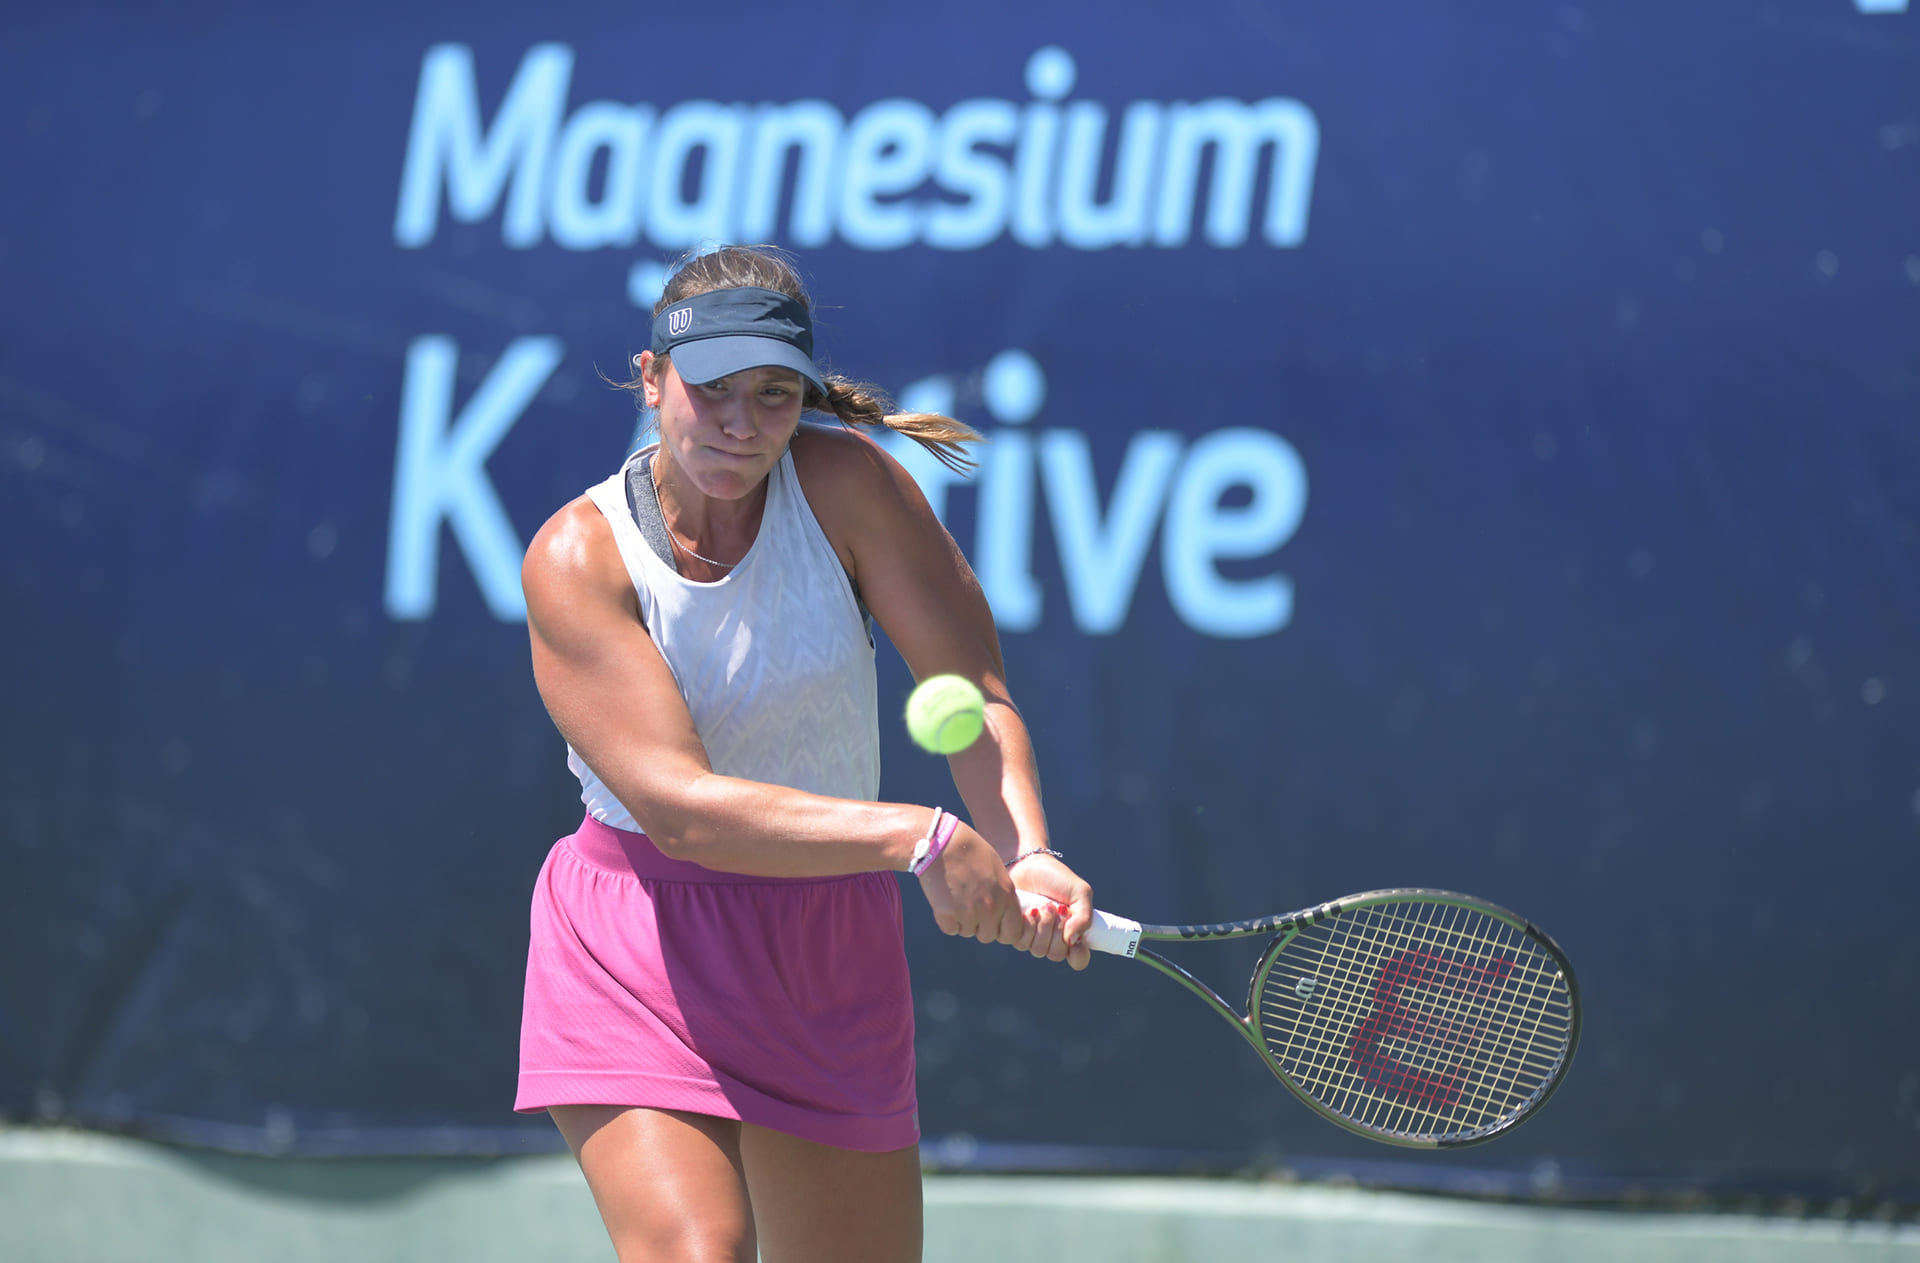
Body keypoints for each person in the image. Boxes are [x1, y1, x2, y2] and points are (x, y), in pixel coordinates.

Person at [514, 244, 1094, 1263]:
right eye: (713, 391)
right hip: (639, 938)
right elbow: (681, 810)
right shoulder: (577, 555)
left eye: (775, 397)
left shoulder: (852, 488)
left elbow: (974, 695)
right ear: (652, 380)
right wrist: (918, 834)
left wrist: (1029, 850)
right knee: (699, 1254)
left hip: (828, 942)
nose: (741, 426)